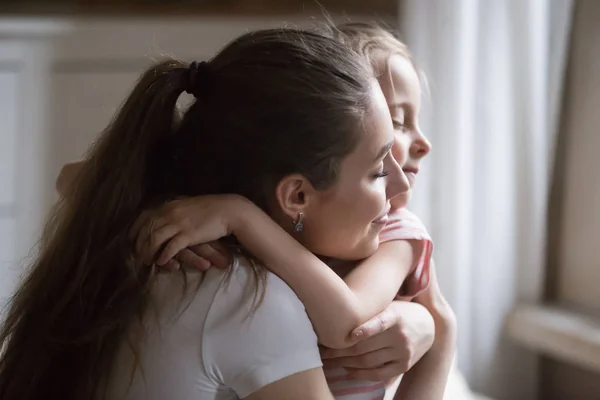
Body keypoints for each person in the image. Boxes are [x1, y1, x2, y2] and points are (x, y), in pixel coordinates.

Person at [0, 27, 443, 400]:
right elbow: (346, 325)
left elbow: (85, 181)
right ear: (297, 196)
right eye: (376, 171)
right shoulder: (248, 297)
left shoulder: (160, 237)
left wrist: (436, 326)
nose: (401, 184)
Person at [129, 23, 456, 400]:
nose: (422, 146)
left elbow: (345, 324)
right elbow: (79, 178)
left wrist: (242, 216)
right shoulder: (237, 255)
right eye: (379, 165)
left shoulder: (395, 232)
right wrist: (153, 211)